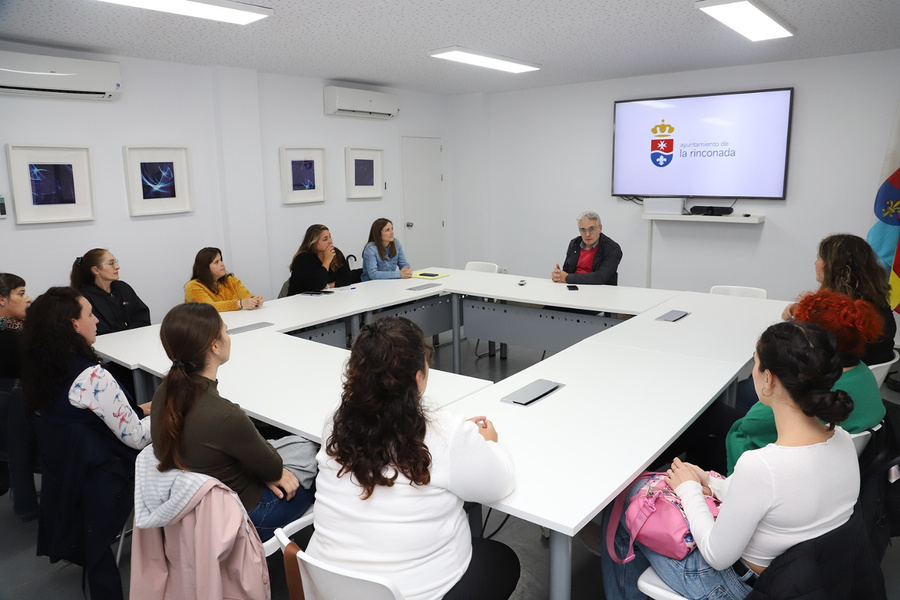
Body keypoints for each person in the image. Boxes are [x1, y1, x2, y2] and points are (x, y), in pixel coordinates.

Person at [602, 321, 860, 600]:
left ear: (769, 379)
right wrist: (708, 481)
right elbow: (777, 496)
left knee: (625, 503)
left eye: (756, 363)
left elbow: (715, 555)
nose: (752, 371)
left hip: (737, 586)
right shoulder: (842, 440)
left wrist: (689, 490)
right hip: (807, 580)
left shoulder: (762, 466)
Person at [307, 316, 520, 600]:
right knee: (503, 561)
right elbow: (500, 483)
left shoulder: (335, 420)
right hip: (417, 593)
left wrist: (459, 440)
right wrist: (488, 443)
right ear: (418, 378)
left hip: (327, 586)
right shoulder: (445, 434)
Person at [21, 287, 152, 600]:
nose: (96, 320)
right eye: (90, 314)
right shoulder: (92, 377)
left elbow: (93, 416)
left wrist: (147, 408)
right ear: (73, 325)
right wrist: (172, 416)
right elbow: (137, 437)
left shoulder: (41, 369)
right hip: (111, 476)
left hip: (69, 476)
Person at [151, 302, 316, 542]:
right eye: (226, 331)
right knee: (319, 459)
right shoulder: (224, 415)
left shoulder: (164, 391)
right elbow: (272, 467)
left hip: (199, 510)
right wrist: (269, 472)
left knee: (291, 448)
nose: (229, 337)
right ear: (215, 346)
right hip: (249, 516)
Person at [726, 289, 885, 474]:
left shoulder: (802, 393)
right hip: (833, 466)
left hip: (777, 469)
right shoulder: (862, 372)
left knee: (708, 425)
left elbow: (751, 425)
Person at [782, 234, 895, 366]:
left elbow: (802, 349)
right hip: (869, 377)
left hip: (835, 377)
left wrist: (800, 318)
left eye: (819, 258)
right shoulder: (877, 303)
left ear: (833, 268)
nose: (815, 263)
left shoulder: (837, 317)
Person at [0, 273, 35, 517]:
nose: (28, 299)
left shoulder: (16, 331)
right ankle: (26, 507)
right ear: (2, 300)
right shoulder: (12, 338)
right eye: (21, 294)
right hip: (15, 402)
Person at [70, 248, 151, 335]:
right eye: (111, 263)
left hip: (135, 339)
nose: (117, 267)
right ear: (96, 270)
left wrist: (130, 335)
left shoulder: (122, 287)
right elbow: (98, 330)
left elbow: (142, 316)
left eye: (116, 262)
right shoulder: (84, 298)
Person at [552, 210, 622, 285]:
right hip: (575, 288)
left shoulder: (612, 248)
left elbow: (601, 277)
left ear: (600, 228)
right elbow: (567, 271)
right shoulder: (574, 244)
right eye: (583, 230)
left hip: (600, 291)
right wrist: (559, 275)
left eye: (591, 229)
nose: (587, 234)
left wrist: (567, 278)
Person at [184, 246, 263, 312]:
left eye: (221, 260)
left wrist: (254, 300)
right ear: (205, 268)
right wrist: (240, 303)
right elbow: (209, 308)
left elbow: (245, 295)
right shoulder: (193, 286)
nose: (222, 264)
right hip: (208, 328)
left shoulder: (231, 280)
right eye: (216, 262)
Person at [287, 224, 354, 295]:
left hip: (325, 300)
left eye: (330, 237)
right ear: (314, 243)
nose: (330, 241)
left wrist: (328, 286)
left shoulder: (335, 253)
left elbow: (347, 278)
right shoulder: (303, 258)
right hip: (300, 301)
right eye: (325, 239)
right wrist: (327, 261)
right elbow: (317, 285)